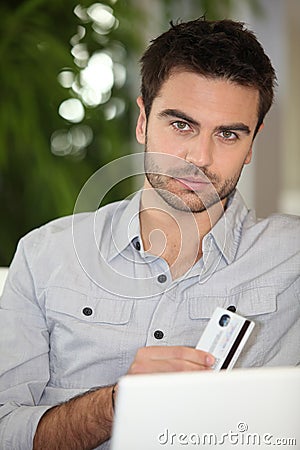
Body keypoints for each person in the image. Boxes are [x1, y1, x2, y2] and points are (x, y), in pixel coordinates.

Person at [0, 17, 299, 450]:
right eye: (181, 125)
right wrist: (119, 403)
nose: (200, 156)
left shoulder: (291, 257)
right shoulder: (45, 255)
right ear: (143, 121)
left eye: (229, 134)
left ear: (252, 144)